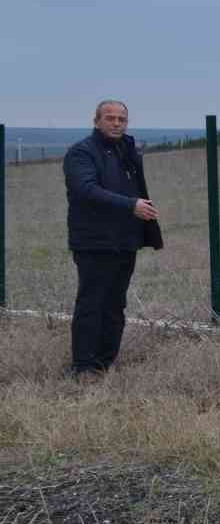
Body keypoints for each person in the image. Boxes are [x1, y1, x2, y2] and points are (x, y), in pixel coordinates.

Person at [62, 100, 163, 377]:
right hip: (94, 242)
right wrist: (130, 205)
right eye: (110, 118)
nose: (117, 123)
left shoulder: (126, 151)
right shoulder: (81, 153)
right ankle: (83, 367)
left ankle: (105, 363)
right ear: (96, 121)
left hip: (124, 240)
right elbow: (85, 189)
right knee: (91, 303)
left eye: (122, 119)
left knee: (115, 304)